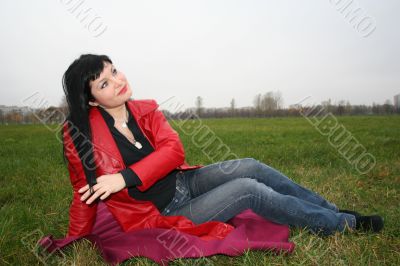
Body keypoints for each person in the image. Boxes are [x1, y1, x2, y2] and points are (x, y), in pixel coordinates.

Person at [62, 53, 383, 239]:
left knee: (251, 165)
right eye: (104, 83)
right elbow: (84, 195)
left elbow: (174, 152)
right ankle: (342, 224)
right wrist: (74, 238)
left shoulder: (145, 108)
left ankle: (330, 208)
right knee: (248, 188)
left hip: (183, 181)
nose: (118, 81)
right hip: (166, 211)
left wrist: (125, 177)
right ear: (91, 99)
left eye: (114, 71)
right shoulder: (81, 137)